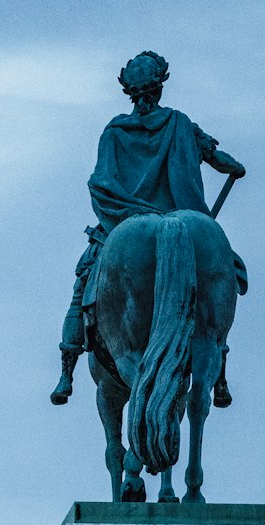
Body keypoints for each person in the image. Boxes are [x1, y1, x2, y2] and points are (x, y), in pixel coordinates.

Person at [53, 51, 246, 405]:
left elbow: (101, 182)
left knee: (82, 285)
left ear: (131, 93)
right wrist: (234, 168)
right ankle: (219, 373)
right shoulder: (181, 124)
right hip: (182, 216)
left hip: (124, 220)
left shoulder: (115, 131)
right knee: (219, 277)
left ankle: (67, 371)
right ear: (160, 88)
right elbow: (223, 161)